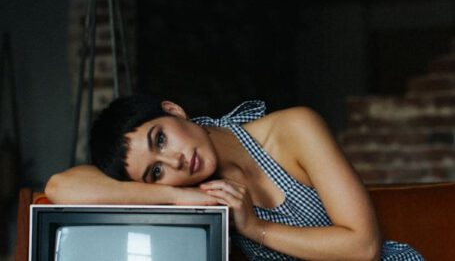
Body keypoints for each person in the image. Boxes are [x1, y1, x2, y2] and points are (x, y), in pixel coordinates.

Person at [46, 95, 423, 260]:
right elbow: (60, 187)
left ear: (174, 110)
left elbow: (363, 247)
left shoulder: (293, 129)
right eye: (155, 171)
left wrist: (253, 227)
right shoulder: (190, 192)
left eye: (160, 138)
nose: (175, 162)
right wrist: (179, 199)